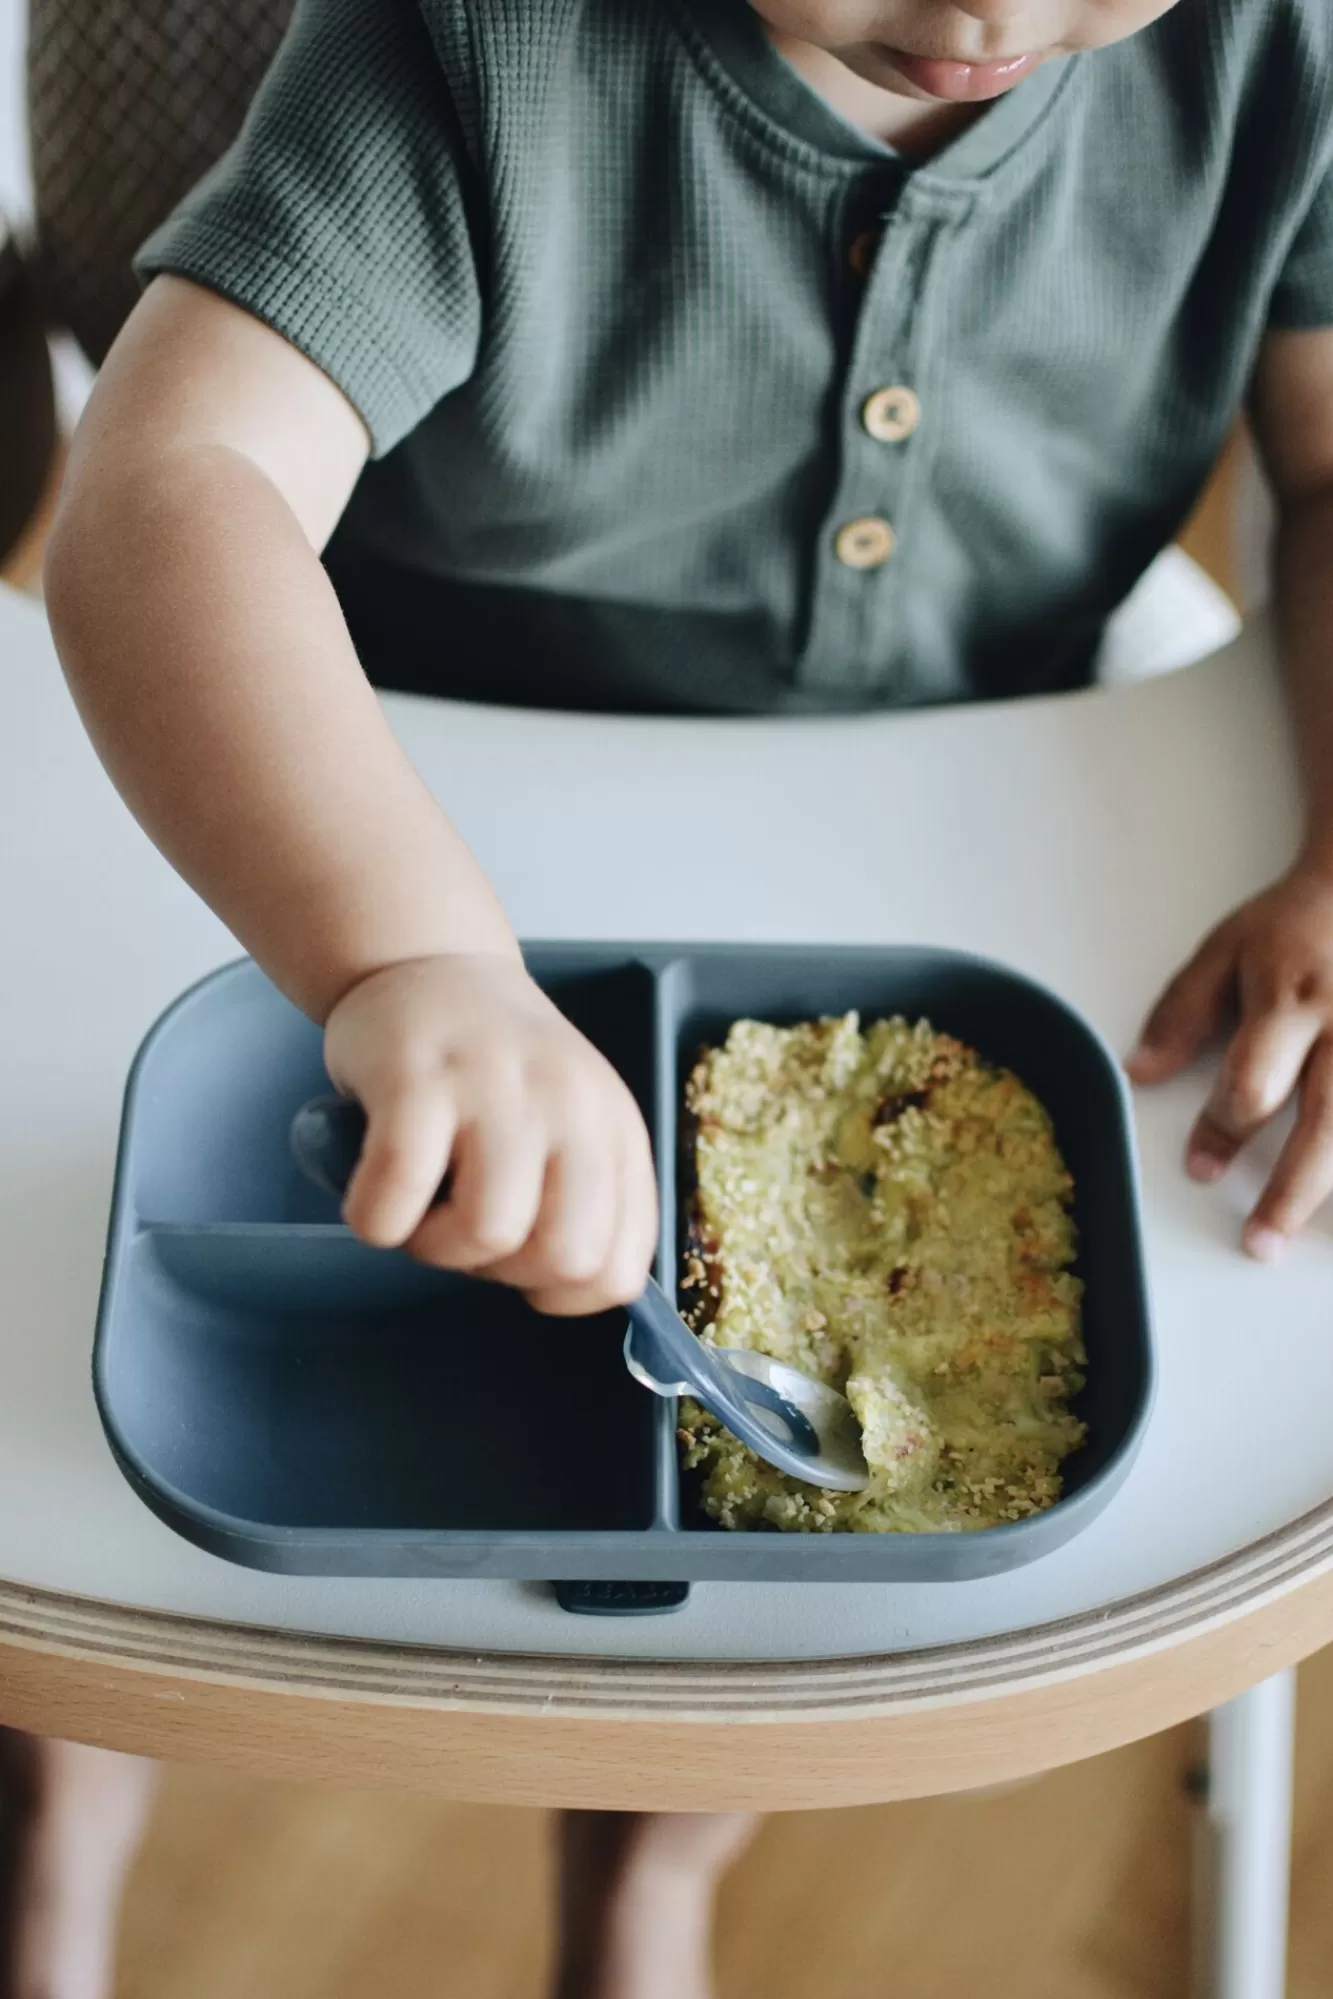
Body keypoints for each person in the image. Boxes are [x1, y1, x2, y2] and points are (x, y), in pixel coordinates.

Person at [19, 0, 1333, 1993]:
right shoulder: (479, 50)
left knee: (776, 1547)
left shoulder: (1271, 47)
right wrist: (403, 950)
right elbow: (166, 480)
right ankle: (62, 1811)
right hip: (394, 812)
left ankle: (654, 1861)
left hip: (967, 828)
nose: (985, 15)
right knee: (78, 1459)